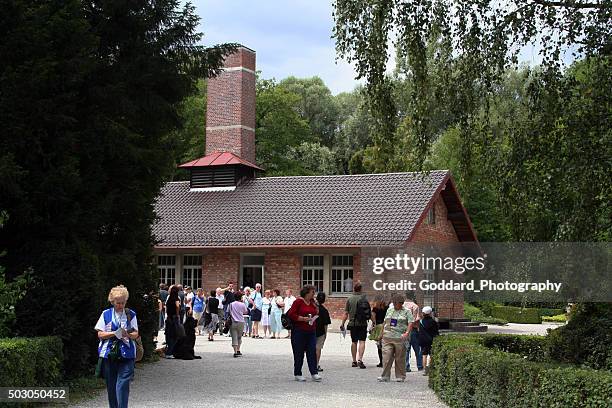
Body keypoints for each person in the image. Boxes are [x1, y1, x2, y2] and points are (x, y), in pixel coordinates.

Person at [95, 285, 139, 408]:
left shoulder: (131, 314)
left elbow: (136, 334)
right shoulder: (106, 314)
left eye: (123, 303)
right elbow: (100, 334)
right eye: (118, 303)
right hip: (109, 354)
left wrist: (127, 334)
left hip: (127, 353)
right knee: (111, 384)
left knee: (123, 383)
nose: (120, 305)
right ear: (112, 301)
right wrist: (114, 333)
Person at [287, 285, 321, 382]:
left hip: (311, 331)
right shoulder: (298, 302)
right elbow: (291, 314)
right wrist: (303, 319)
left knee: (312, 352)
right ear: (306, 293)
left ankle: (314, 372)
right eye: (312, 292)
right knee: (299, 352)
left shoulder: (312, 302)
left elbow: (316, 312)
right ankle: (298, 373)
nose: (314, 294)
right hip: (299, 330)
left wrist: (316, 309)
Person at [378, 294, 413, 382]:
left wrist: (407, 333)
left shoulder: (407, 311)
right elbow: (384, 322)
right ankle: (385, 376)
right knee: (386, 357)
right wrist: (381, 333)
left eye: (395, 303)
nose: (394, 304)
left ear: (401, 303)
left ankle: (400, 376)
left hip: (400, 338)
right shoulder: (390, 310)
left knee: (400, 358)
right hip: (387, 337)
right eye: (393, 303)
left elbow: (410, 323)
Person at [340, 282, 370, 369]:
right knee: (362, 341)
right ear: (361, 289)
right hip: (363, 323)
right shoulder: (364, 299)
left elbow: (346, 313)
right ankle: (360, 359)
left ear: (354, 289)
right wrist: (374, 322)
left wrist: (342, 323)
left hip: (352, 323)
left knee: (354, 342)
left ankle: (354, 361)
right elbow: (369, 312)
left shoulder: (350, 299)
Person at [403, 291, 422, 372]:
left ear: (405, 295)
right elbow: (416, 319)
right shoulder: (415, 306)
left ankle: (406, 366)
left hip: (404, 329)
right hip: (413, 329)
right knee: (417, 349)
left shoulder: (402, 305)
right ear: (413, 296)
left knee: (406, 349)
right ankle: (420, 365)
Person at [418, 306, 439, 375]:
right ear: (430, 313)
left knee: (424, 355)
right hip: (431, 340)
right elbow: (436, 332)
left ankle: (424, 370)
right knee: (431, 354)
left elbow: (420, 332)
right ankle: (429, 368)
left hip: (423, 341)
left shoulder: (421, 321)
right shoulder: (433, 322)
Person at [370, 294, 389, 368]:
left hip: (378, 327)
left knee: (379, 345)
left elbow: (373, 318)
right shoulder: (387, 308)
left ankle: (381, 362)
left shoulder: (375, 308)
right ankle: (386, 361)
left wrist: (373, 326)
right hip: (385, 326)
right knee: (385, 345)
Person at [228, 291, 249, 357]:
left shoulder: (231, 304)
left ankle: (235, 351)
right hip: (241, 322)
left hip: (233, 322)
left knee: (234, 337)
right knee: (239, 337)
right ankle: (238, 350)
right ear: (240, 297)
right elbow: (245, 312)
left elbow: (228, 311)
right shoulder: (242, 304)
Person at [315, 292, 331, 372]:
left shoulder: (312, 307)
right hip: (320, 331)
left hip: (311, 330)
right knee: (318, 348)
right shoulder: (324, 310)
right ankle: (316, 364)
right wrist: (325, 334)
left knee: (311, 348)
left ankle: (311, 363)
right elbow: (326, 324)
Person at [164, 285, 181, 358]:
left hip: (168, 318)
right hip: (174, 318)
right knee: (175, 335)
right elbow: (177, 307)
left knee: (169, 334)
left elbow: (167, 308)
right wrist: (177, 315)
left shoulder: (169, 299)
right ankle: (170, 352)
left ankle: (168, 351)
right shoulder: (176, 299)